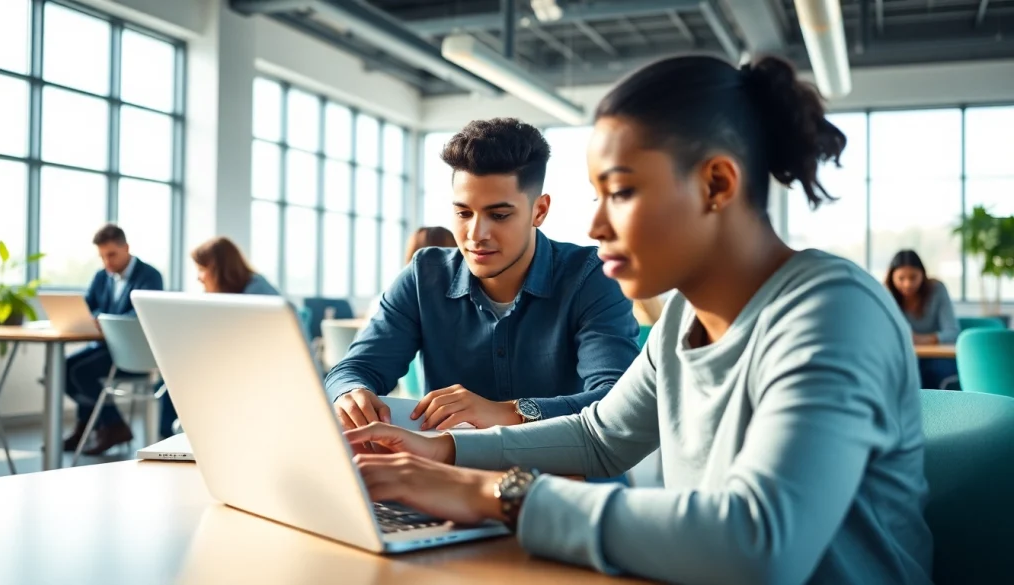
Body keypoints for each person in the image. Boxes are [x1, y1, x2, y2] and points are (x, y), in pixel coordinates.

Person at [341, 55, 933, 584]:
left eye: (620, 193)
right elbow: (599, 437)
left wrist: (494, 493)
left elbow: (759, 544)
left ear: (716, 184)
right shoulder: (680, 318)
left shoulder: (832, 310)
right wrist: (439, 451)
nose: (596, 226)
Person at [327, 118, 640, 434]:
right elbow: (355, 369)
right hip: (451, 473)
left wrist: (509, 412)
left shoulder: (590, 277)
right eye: (463, 213)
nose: (476, 234)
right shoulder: (424, 276)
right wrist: (351, 392)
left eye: (499, 215)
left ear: (539, 211)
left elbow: (618, 402)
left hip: (565, 475)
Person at [157, 236, 283, 438]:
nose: (199, 277)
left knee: (179, 378)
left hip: (264, 376)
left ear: (218, 269)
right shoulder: (234, 292)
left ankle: (175, 440)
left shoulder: (257, 293)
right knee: (172, 376)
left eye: (201, 269)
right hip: (241, 370)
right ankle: (174, 440)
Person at [63, 223, 163, 455]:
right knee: (63, 367)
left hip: (132, 353)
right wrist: (96, 317)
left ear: (126, 247)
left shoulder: (150, 276)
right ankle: (101, 426)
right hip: (105, 348)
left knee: (79, 372)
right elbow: (88, 308)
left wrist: (105, 319)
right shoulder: (102, 276)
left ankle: (108, 427)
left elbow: (141, 316)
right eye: (102, 256)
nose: (107, 262)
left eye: (111, 255)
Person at [885, 249, 959, 389]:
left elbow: (953, 332)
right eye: (901, 278)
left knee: (929, 372)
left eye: (913, 277)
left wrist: (922, 339)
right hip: (902, 357)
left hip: (936, 358)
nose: (907, 284)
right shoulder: (886, 294)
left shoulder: (937, 289)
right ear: (892, 277)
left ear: (923, 274)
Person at [192, 236, 280, 295]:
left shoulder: (257, 291)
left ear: (221, 270)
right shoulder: (229, 296)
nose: (199, 278)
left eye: (202, 269)